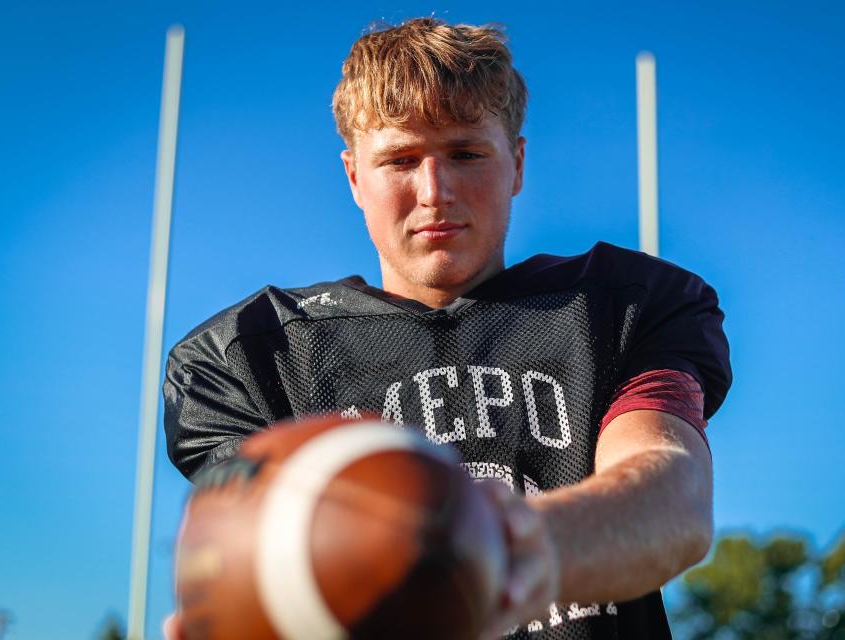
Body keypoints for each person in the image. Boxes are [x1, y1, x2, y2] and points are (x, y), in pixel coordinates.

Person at [163, 17, 731, 639]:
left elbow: (670, 494)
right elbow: (260, 552)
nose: (435, 192)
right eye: (401, 160)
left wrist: (506, 550)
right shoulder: (253, 355)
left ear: (516, 163)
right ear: (355, 176)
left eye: (465, 153)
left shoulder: (622, 305)